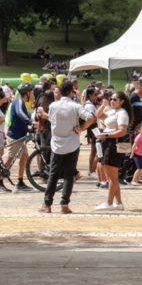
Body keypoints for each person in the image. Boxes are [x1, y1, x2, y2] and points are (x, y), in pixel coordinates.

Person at [40, 79, 85, 214]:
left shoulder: (53, 106)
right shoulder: (76, 106)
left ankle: (47, 204)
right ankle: (64, 205)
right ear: (71, 92)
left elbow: (53, 120)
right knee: (68, 175)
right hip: (72, 143)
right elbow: (91, 116)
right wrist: (82, 128)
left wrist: (43, 115)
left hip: (57, 145)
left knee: (53, 175)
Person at [96, 91, 129, 211]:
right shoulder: (113, 111)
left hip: (113, 144)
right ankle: (118, 202)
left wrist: (107, 135)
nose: (112, 101)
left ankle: (109, 203)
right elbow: (99, 116)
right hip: (108, 142)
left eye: (115, 99)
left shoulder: (122, 113)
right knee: (112, 176)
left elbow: (122, 131)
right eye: (112, 99)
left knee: (111, 176)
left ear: (122, 101)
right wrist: (103, 105)